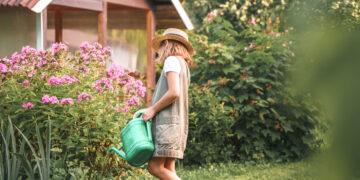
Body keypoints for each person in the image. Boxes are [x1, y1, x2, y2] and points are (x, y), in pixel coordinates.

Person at [133, 28, 193, 180]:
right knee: (167, 169)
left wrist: (152, 109)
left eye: (160, 46)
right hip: (177, 124)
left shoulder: (171, 60)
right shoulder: (184, 65)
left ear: (166, 43)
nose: (158, 52)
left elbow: (174, 92)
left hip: (167, 125)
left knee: (155, 167)